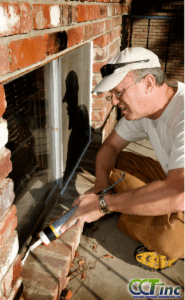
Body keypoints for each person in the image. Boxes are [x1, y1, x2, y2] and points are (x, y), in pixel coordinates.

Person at [61, 47, 184, 271]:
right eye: (113, 95)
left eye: (119, 92)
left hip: (181, 191)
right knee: (115, 165)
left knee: (169, 240)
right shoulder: (145, 109)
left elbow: (179, 194)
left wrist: (103, 205)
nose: (115, 101)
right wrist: (100, 186)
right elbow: (110, 147)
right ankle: (135, 209)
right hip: (176, 180)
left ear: (147, 84)